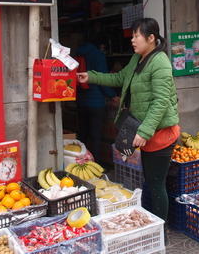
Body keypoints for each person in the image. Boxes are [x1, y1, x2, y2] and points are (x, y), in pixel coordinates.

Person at [77, 18, 180, 234]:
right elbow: (119, 79)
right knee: (151, 183)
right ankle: (152, 222)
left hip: (160, 133)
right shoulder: (138, 59)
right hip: (146, 130)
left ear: (151, 38)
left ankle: (160, 231)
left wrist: (144, 131)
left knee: (156, 184)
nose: (132, 40)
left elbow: (160, 102)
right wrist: (91, 76)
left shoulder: (160, 62)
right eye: (132, 36)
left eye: (136, 36)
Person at [75, 38, 119, 163]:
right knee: (95, 136)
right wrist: (112, 94)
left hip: (81, 100)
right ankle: (96, 165)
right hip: (96, 102)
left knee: (82, 134)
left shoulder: (77, 54)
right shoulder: (97, 55)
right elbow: (103, 79)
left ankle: (81, 162)